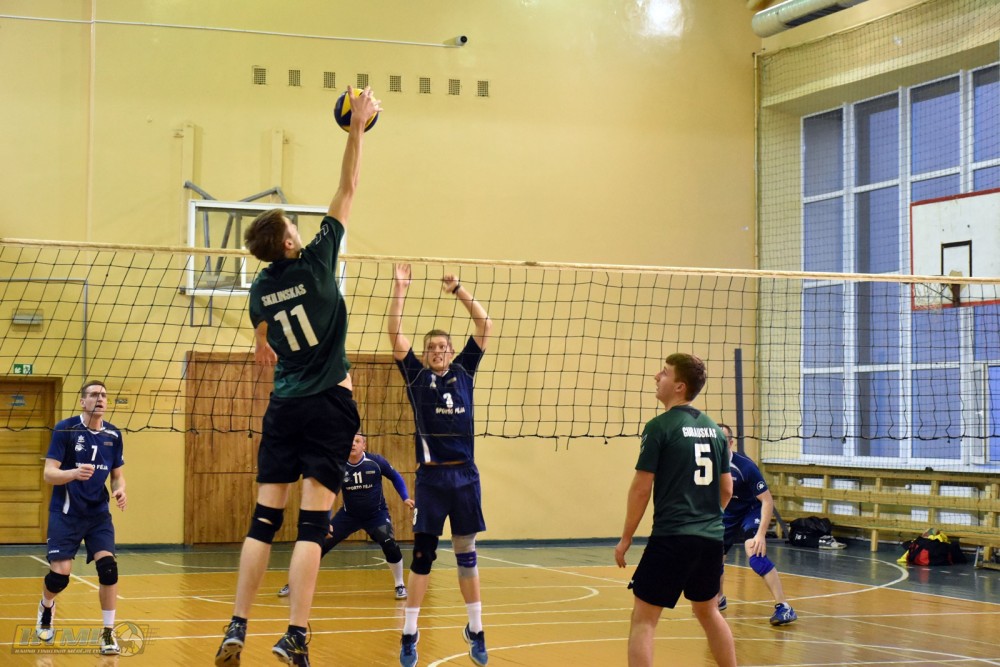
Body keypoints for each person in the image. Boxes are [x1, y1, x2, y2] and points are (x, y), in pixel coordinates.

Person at [214, 86, 381, 667]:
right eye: (293, 226)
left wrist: (263, 342)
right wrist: (356, 127)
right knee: (312, 525)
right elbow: (348, 188)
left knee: (263, 520)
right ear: (289, 241)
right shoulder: (317, 261)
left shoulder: (260, 289)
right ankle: (295, 635)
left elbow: (261, 332)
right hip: (329, 403)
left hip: (284, 405)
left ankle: (237, 624)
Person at [387, 262, 493, 667]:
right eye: (431, 347)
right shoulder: (416, 377)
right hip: (431, 478)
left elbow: (485, 325)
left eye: (442, 347)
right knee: (423, 555)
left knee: (466, 551)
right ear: (425, 352)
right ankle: (409, 633)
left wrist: (459, 289)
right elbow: (395, 335)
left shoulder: (464, 370)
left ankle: (476, 629)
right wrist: (401, 289)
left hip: (465, 475)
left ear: (450, 352)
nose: (437, 351)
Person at [614, 353, 736, 667]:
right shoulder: (714, 430)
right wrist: (706, 518)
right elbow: (727, 489)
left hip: (672, 538)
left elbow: (641, 489)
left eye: (665, 373)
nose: (657, 376)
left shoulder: (660, 427)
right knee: (708, 612)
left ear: (680, 386)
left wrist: (626, 537)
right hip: (710, 540)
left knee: (643, 619)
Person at [37, 380, 127, 656]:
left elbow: (117, 475)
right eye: (94, 395)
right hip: (66, 513)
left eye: (104, 395)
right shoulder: (65, 429)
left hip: (98, 514)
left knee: (108, 570)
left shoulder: (113, 434)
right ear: (82, 401)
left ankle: (108, 633)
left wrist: (120, 490)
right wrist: (73, 473)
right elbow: (49, 473)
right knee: (59, 577)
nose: (100, 399)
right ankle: (46, 606)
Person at [275, 432, 415, 600]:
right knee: (319, 544)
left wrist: (405, 497)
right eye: (350, 441)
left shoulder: (376, 462)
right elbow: (328, 493)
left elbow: (395, 477)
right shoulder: (338, 466)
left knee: (389, 543)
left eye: (357, 441)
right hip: (349, 516)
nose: (353, 444)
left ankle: (399, 584)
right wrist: (326, 520)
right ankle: (294, 583)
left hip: (376, 515)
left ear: (364, 445)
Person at [716, 422, 797, 626]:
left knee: (755, 553)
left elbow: (767, 501)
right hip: (727, 513)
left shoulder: (745, 467)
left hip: (751, 510)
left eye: (722, 440)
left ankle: (784, 607)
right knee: (713, 557)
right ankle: (719, 599)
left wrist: (761, 534)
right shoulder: (706, 465)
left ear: (731, 443)